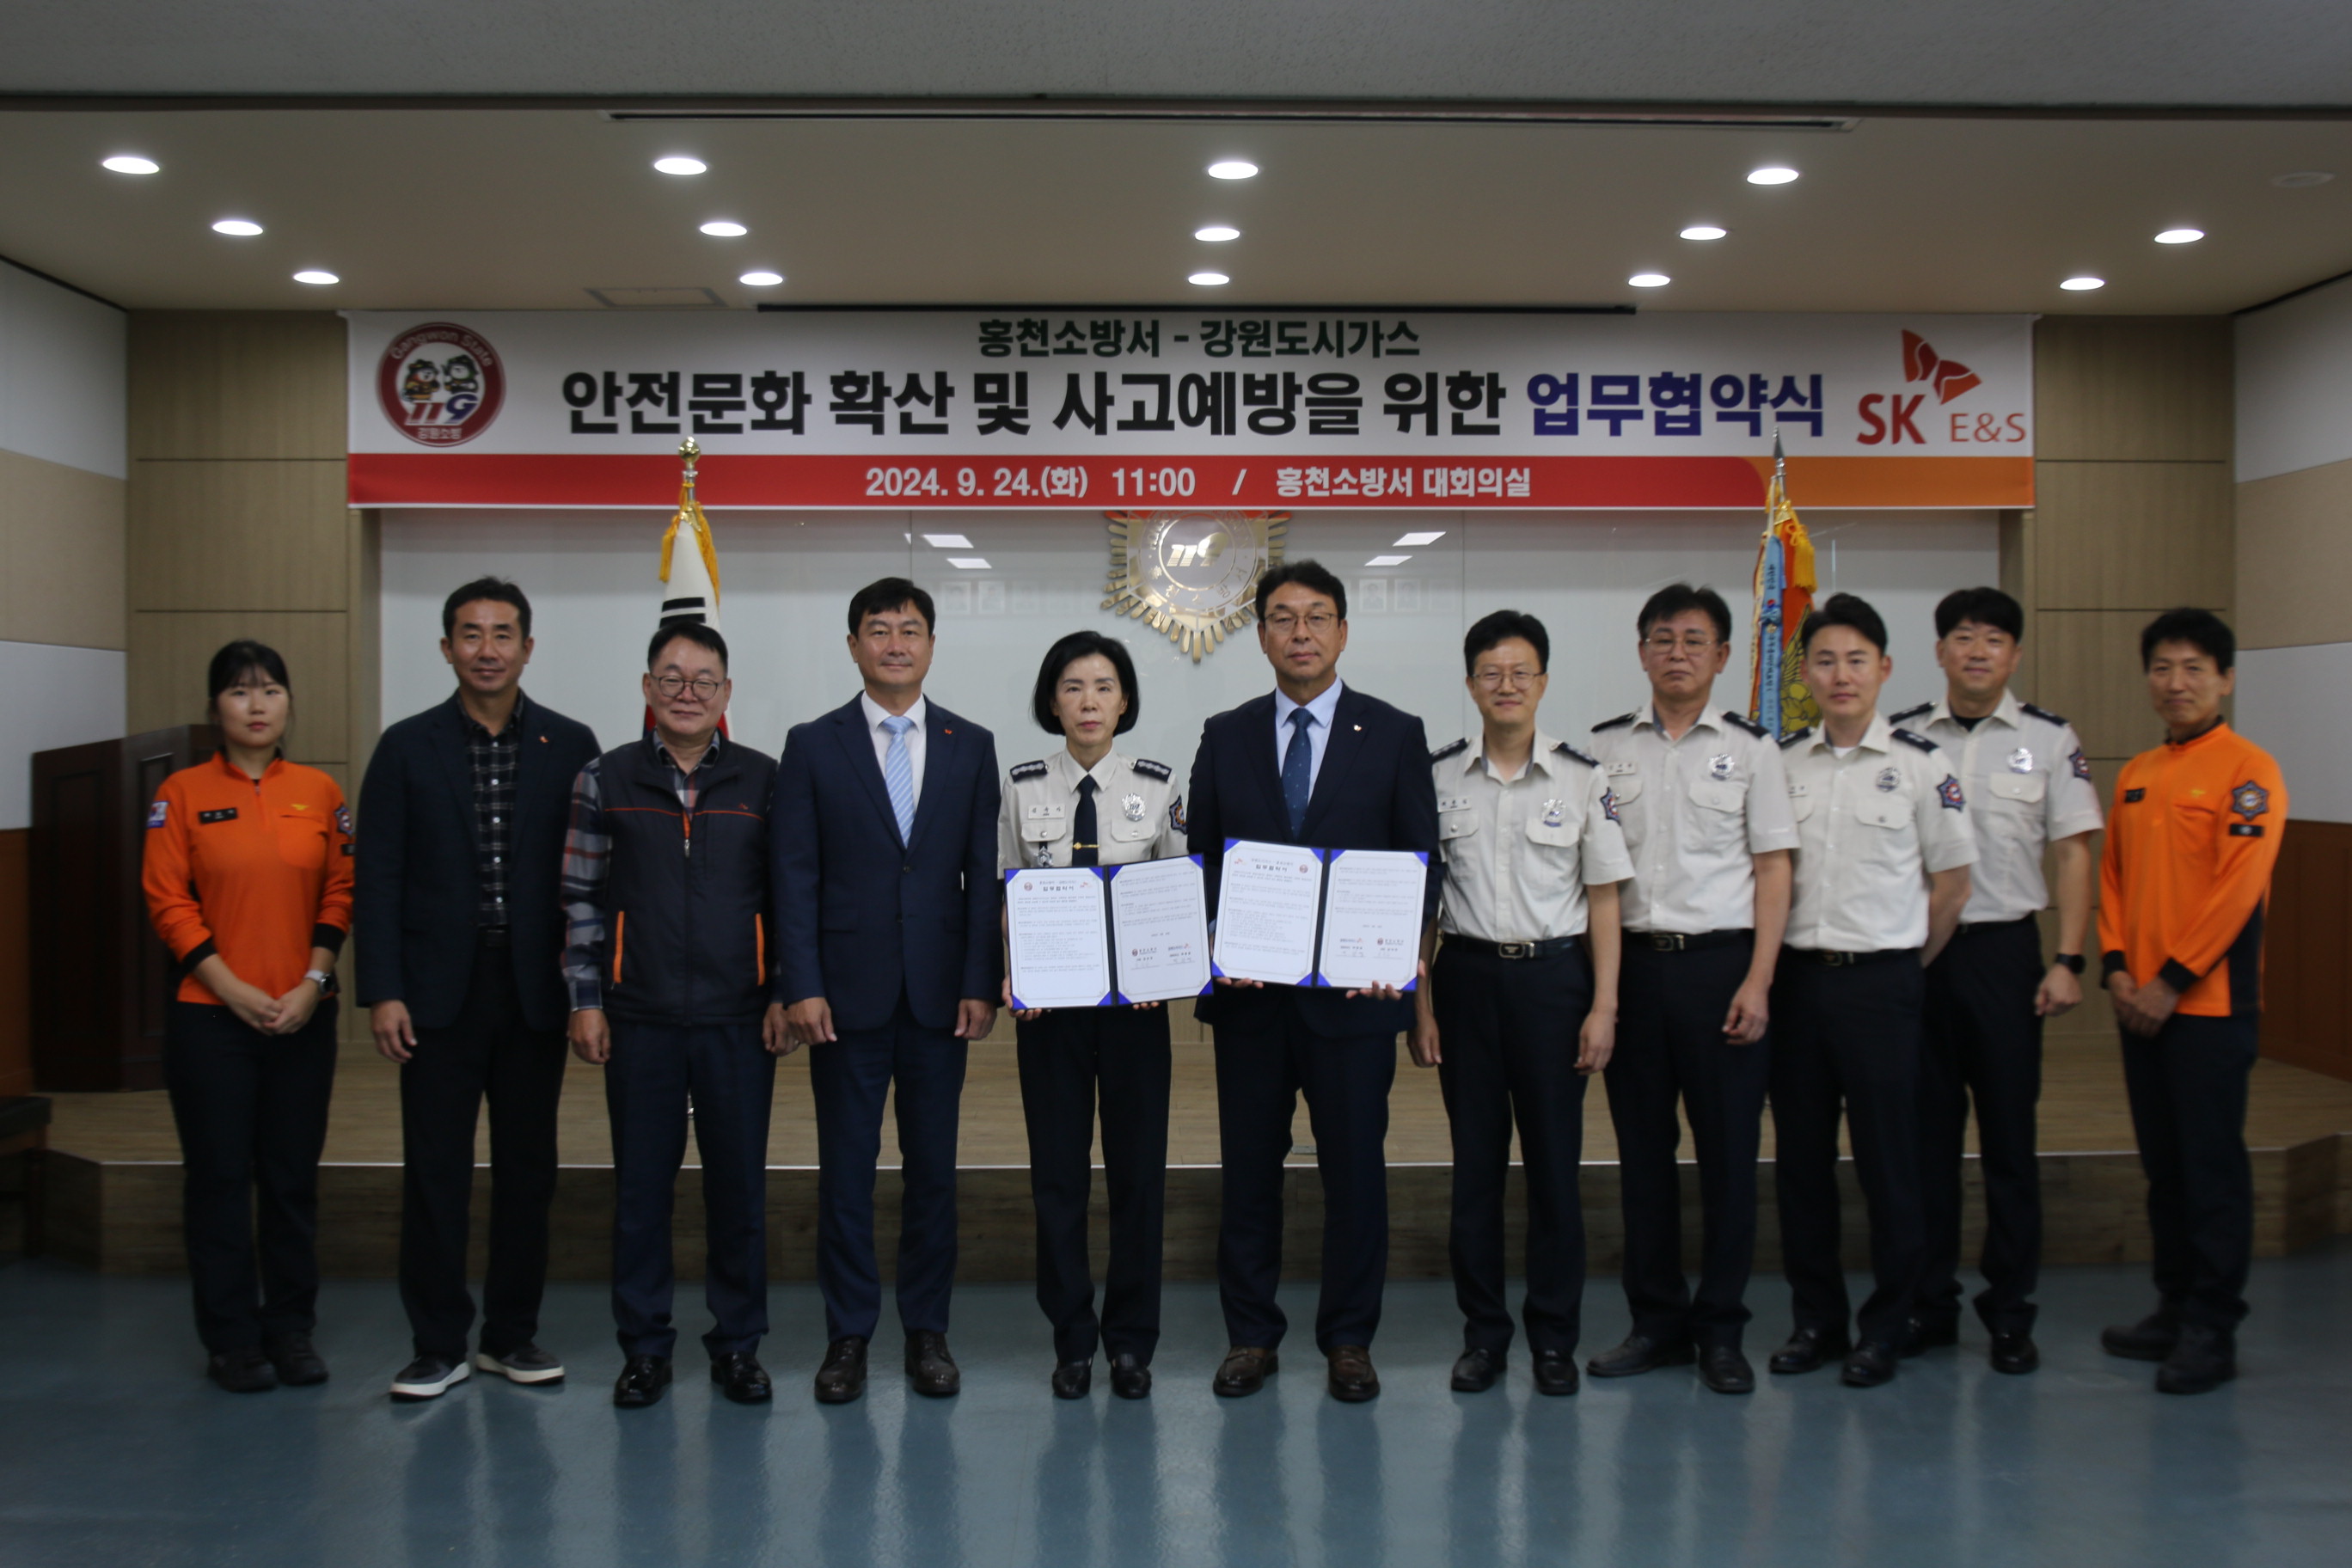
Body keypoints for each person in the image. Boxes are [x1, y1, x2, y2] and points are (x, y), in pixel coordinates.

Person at [1185, 560, 1442, 1403]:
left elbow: (1422, 862)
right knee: (1248, 1175)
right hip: (1252, 1004)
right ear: (1261, 635)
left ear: (1343, 631)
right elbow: (1203, 862)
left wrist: (1397, 959)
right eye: (1284, 618)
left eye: (1317, 617)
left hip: (1354, 1005)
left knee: (1355, 1177)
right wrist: (1217, 940)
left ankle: (1349, 1340)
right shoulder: (1226, 734)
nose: (1301, 633)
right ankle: (1250, 1336)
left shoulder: (1395, 732)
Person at [358, 578, 600, 1403]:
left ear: (528, 648)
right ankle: (437, 1343)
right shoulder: (405, 747)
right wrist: (383, 990)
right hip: (434, 996)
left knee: (528, 1169)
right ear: (446, 647)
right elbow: (378, 877)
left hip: (533, 991)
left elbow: (588, 877)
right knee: (436, 1172)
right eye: (471, 634)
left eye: (503, 635)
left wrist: (586, 990)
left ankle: (510, 1335)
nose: (487, 649)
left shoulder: (571, 744)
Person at [774, 579, 1002, 1404]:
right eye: (879, 630)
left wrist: (980, 981)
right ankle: (847, 1336)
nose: (895, 644)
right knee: (847, 1173)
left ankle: (927, 1332)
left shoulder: (971, 744)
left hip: (941, 997)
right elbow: (794, 874)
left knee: (933, 1173)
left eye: (910, 630)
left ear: (932, 645)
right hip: (842, 998)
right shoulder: (813, 744)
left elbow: (981, 875)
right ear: (854, 645)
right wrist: (800, 984)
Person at [560, 622, 789, 1408]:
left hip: (739, 1018)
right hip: (639, 1016)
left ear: (726, 693)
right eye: (672, 678)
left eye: (704, 681)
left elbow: (787, 898)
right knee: (641, 1193)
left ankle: (739, 1345)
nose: (687, 694)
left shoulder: (764, 780)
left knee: (739, 1193)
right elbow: (581, 899)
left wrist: (781, 990)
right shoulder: (604, 778)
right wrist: (586, 1000)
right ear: (647, 688)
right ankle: (644, 1349)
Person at [1412, 610, 1630, 1398]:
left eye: (1521, 672)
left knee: (1553, 1174)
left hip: (1553, 986)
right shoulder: (1438, 777)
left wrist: (1604, 1006)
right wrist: (1420, 1005)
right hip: (1465, 982)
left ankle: (1554, 1339)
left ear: (1543, 682)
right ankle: (1484, 1337)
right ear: (1471, 684)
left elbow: (1604, 899)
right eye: (1491, 673)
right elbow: (1422, 905)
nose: (1506, 686)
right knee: (1475, 1172)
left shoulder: (1582, 778)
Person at [1584, 585, 1795, 1395]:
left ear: (1724, 656)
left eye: (1695, 640)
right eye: (1663, 639)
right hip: (1634, 971)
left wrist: (1760, 980)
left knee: (1729, 1160)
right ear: (1642, 652)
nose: (1678, 653)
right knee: (1644, 1158)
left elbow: (1773, 869)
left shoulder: (1754, 751)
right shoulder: (1604, 749)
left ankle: (1721, 1332)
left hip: (1722, 972)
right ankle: (1656, 1323)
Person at [1890, 587, 2102, 1375]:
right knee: (1926, 1142)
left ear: (2014, 655)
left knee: (2010, 1142)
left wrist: (2068, 959)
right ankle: (1929, 1303)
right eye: (1962, 637)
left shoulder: (2049, 740)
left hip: (2007, 955)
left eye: (1993, 640)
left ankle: (2011, 1314)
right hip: (1922, 954)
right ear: (1939, 652)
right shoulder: (1904, 736)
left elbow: (2073, 852)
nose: (1977, 651)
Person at [1770, 592, 1975, 1388]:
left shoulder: (1922, 765)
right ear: (1806, 674)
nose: (1841, 675)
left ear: (1885, 669)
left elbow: (1952, 886)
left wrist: (1903, 966)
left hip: (1885, 984)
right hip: (1797, 985)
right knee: (1802, 1163)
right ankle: (1816, 1321)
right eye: (1824, 660)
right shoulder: (1782, 763)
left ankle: (1887, 1326)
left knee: (1892, 1164)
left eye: (1856, 660)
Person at [141, 640, 353, 1393]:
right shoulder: (180, 793)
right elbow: (168, 901)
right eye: (239, 691)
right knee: (220, 1179)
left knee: (291, 1179)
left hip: (303, 1015)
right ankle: (231, 1338)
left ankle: (291, 1330)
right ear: (214, 709)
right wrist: (231, 990)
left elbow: (340, 892)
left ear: (289, 703)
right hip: (211, 1020)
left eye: (270, 690)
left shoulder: (321, 792)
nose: (256, 705)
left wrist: (311, 984)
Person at [2098, 608, 2285, 1395]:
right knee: (2165, 1168)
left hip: (2207, 1011)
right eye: (2162, 668)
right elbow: (2112, 876)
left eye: (2194, 669)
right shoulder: (2137, 773)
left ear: (2226, 679)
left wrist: (2171, 981)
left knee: (2210, 1171)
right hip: (2138, 1007)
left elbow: (2238, 891)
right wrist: (2116, 968)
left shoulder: (2250, 771)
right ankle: (2173, 1308)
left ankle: (2213, 1327)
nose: (2176, 683)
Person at [998, 631, 1185, 1400]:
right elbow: (1007, 891)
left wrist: (1163, 969)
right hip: (1052, 1014)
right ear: (1052, 701)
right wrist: (1016, 972)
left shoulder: (1159, 786)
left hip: (1136, 1013)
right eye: (1073, 687)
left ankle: (1131, 1343)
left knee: (1139, 1177)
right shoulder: (1021, 787)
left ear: (1125, 701)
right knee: (1058, 1179)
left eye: (1104, 687)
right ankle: (1072, 1340)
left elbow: (1176, 894)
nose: (1088, 702)